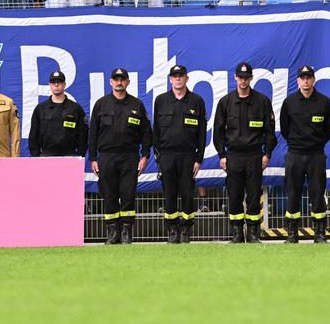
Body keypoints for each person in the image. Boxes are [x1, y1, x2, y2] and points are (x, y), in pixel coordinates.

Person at [213, 61, 276, 244]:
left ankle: (253, 233)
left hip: (255, 156)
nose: (243, 81)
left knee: (254, 196)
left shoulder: (262, 102)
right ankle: (237, 233)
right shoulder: (226, 102)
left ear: (251, 78)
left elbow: (270, 131)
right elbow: (218, 132)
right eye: (240, 77)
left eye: (246, 77)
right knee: (234, 195)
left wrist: (267, 154)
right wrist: (222, 155)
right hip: (233, 156)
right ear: (235, 78)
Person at [88, 67, 152, 245]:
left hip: (129, 158)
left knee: (127, 195)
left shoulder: (136, 105)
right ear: (110, 82)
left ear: (128, 82)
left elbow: (147, 133)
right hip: (106, 157)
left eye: (122, 79)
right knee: (109, 195)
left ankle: (126, 231)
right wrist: (93, 158)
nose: (119, 82)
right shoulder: (101, 104)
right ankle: (112, 232)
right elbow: (92, 133)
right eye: (116, 79)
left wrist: (145, 156)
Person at [279, 64, 330, 243]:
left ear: (313, 80)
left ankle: (319, 233)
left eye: (308, 77)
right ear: (298, 80)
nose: (306, 81)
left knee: (318, 194)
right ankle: (292, 233)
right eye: (302, 78)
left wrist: (316, 143)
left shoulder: (324, 102)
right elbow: (284, 128)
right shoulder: (289, 102)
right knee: (293, 193)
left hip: (316, 155)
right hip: (295, 154)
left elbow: (329, 128)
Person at [152, 64, 207, 245]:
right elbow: (156, 131)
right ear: (170, 79)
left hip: (188, 156)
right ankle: (172, 230)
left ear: (186, 78)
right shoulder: (161, 100)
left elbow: (201, 133)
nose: (177, 78)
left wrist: (198, 158)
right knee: (169, 194)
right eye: (174, 76)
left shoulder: (196, 101)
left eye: (181, 75)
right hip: (167, 156)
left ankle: (186, 230)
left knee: (187, 194)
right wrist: (158, 155)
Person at [27, 70, 87, 157]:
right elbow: (33, 135)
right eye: (53, 82)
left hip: (70, 156)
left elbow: (83, 135)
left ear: (64, 85)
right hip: (46, 156)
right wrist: (36, 156)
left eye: (59, 82)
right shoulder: (40, 109)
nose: (56, 85)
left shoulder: (75, 109)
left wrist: (80, 155)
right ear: (50, 85)